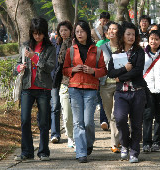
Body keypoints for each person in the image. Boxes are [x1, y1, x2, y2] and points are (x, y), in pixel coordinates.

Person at [63, 20, 107, 163]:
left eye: (82, 31)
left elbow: (103, 70)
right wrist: (72, 70)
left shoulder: (97, 50)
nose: (79, 34)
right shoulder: (71, 50)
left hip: (91, 89)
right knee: (78, 122)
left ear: (87, 32)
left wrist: (92, 71)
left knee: (88, 122)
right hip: (74, 88)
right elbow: (64, 70)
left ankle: (88, 144)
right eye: (77, 31)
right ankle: (81, 152)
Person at [14, 17, 56, 161]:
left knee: (43, 122)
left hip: (43, 88)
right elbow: (17, 64)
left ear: (45, 33)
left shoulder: (50, 48)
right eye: (35, 33)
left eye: (40, 33)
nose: (37, 36)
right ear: (31, 32)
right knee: (25, 120)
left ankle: (43, 151)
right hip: (27, 87)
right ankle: (26, 152)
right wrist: (20, 67)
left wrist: (35, 58)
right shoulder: (25, 46)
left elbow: (50, 67)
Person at [108, 21, 147, 163]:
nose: (131, 37)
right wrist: (124, 69)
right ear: (122, 35)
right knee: (120, 119)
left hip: (137, 92)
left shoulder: (139, 52)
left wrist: (120, 78)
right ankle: (125, 144)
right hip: (121, 94)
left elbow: (137, 71)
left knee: (136, 124)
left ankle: (134, 152)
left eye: (133, 34)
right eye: (128, 34)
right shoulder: (117, 53)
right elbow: (111, 73)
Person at [99, 21, 121, 153]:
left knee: (115, 115)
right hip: (105, 85)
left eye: (115, 29)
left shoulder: (124, 48)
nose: (112, 31)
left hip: (120, 85)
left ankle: (115, 143)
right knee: (109, 115)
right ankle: (119, 137)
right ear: (107, 34)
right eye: (110, 30)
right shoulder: (101, 49)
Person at [52, 20, 75, 148]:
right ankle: (60, 134)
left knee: (74, 112)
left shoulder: (75, 43)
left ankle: (74, 136)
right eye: (61, 31)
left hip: (74, 80)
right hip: (59, 81)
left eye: (65, 30)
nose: (63, 33)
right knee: (58, 108)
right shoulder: (56, 44)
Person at [91, 12, 110, 130]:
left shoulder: (113, 31)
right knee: (102, 95)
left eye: (107, 20)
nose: (105, 22)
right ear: (100, 20)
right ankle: (104, 119)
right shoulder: (94, 31)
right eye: (103, 20)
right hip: (100, 65)